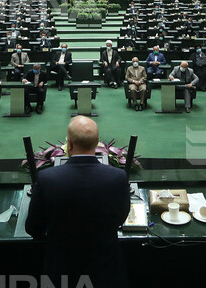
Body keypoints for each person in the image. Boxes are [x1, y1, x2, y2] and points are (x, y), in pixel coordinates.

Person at [25, 117, 130, 288]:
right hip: (105, 272)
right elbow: (119, 219)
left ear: (69, 144)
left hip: (61, 273)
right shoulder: (117, 177)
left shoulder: (47, 178)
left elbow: (33, 228)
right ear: (97, 143)